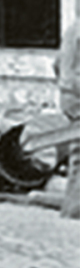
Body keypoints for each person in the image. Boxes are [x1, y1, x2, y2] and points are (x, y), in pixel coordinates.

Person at [55, 20, 80, 219]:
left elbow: (56, 63)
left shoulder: (72, 28)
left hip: (68, 95)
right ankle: (74, 210)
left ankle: (71, 208)